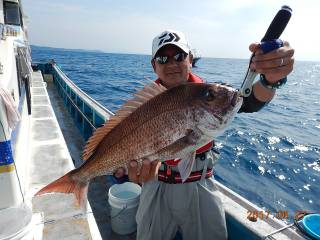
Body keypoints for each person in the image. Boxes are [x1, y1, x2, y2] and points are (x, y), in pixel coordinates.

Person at [114, 29, 295, 240]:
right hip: (154, 186)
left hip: (199, 183)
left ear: (190, 59)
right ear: (154, 65)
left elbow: (249, 100)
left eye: (179, 56)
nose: (172, 63)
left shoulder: (211, 94)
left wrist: (270, 81)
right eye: (163, 58)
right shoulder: (142, 108)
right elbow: (120, 145)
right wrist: (123, 173)